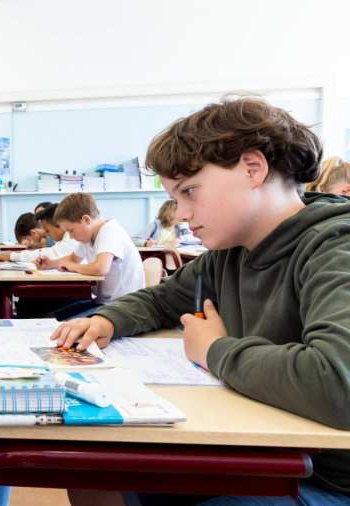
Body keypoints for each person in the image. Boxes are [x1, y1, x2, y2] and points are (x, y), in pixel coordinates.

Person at [54, 98, 350, 505]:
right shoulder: (229, 253)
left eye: (189, 191)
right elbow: (160, 301)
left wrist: (214, 350)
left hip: (323, 481)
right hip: (258, 448)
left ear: (252, 168)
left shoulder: (336, 248)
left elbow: (338, 384)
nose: (180, 214)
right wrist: (109, 320)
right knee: (88, 464)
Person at [36, 192, 144, 319]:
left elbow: (100, 268)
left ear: (86, 220)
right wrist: (50, 264)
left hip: (123, 308)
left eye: (71, 230)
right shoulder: (87, 236)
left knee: (63, 323)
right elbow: (72, 258)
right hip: (104, 303)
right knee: (54, 317)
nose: (70, 236)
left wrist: (71, 266)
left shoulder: (109, 231)